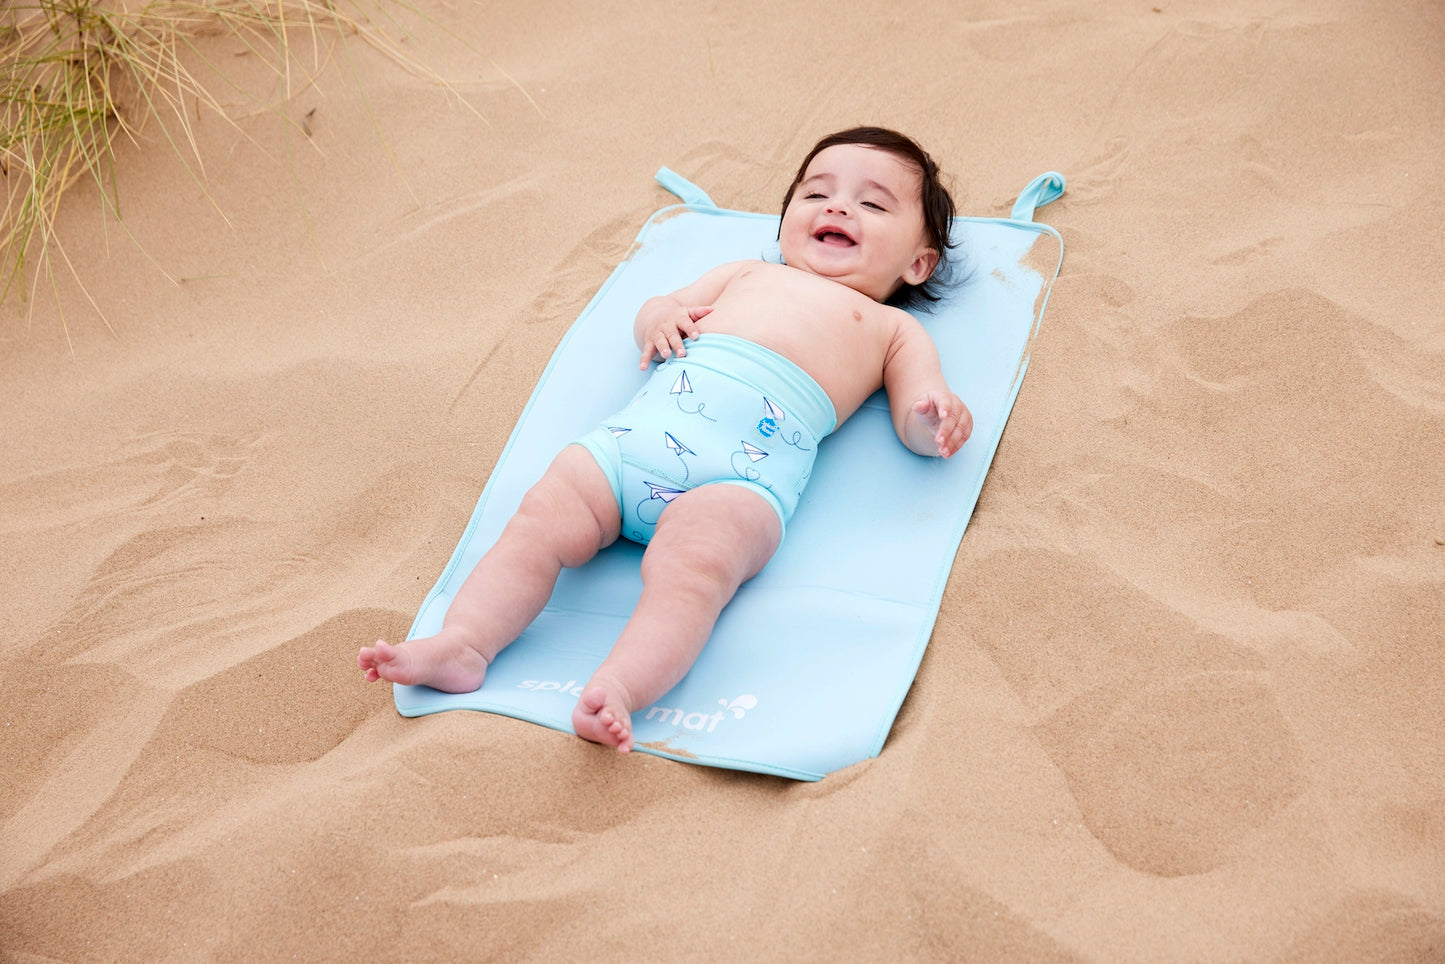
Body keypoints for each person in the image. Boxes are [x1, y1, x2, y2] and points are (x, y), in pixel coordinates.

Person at [358, 127, 973, 753]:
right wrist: (657, 317)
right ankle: (465, 643)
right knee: (543, 514)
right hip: (631, 446)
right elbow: (659, 306)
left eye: (872, 204)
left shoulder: (893, 329)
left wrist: (934, 420)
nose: (838, 207)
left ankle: (621, 688)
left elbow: (915, 420)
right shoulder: (744, 274)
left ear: (917, 263)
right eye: (816, 193)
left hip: (735, 488)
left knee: (695, 574)